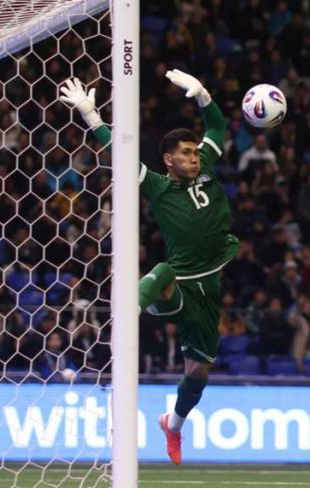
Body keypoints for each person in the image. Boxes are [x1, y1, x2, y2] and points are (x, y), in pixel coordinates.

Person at [60, 70, 238, 465]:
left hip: (209, 287)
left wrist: (203, 93)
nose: (194, 157)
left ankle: (172, 425)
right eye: (186, 154)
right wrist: (92, 116)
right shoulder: (157, 185)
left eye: (195, 152)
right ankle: (129, 312)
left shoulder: (207, 163)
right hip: (177, 284)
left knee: (198, 373)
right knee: (162, 270)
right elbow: (118, 155)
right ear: (168, 161)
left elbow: (217, 125)